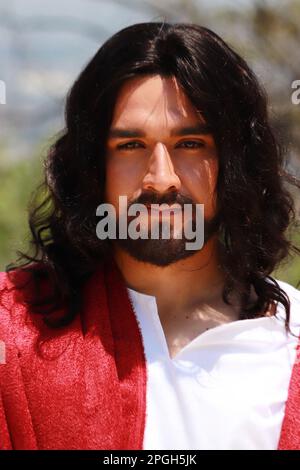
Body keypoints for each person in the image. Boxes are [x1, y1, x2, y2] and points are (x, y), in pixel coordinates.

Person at [0, 21, 300, 451]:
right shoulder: (12, 330)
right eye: (131, 146)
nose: (161, 179)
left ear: (236, 162)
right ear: (92, 166)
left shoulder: (288, 344)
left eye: (191, 144)